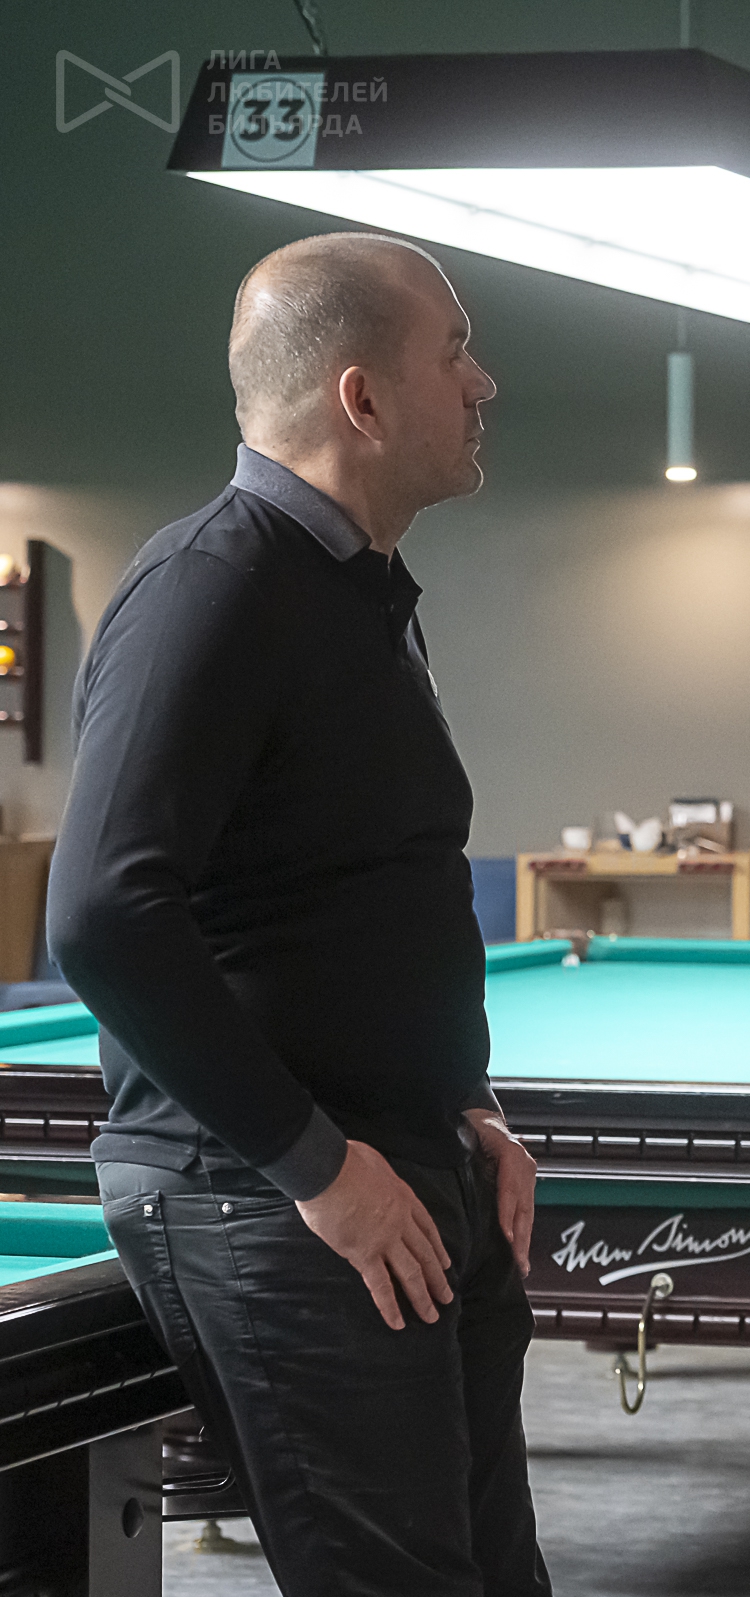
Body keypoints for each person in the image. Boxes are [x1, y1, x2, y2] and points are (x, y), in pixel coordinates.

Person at [47, 233, 549, 1595]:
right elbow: (102, 912)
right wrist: (318, 1167)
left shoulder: (360, 590)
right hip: (270, 1194)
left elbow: (364, 886)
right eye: (456, 352)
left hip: (407, 1159)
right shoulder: (211, 585)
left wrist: (466, 1102)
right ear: (361, 398)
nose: (484, 382)